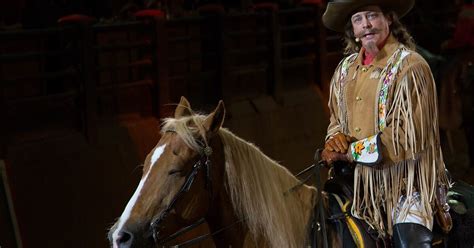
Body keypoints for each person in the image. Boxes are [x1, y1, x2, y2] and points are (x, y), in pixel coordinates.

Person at [320, 0, 451, 246]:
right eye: (358, 19)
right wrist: (333, 139)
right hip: (357, 185)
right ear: (353, 29)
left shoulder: (411, 67)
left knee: (409, 240)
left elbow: (406, 139)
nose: (366, 25)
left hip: (406, 186)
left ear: (389, 19)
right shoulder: (344, 71)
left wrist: (350, 151)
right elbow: (336, 120)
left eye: (372, 16)